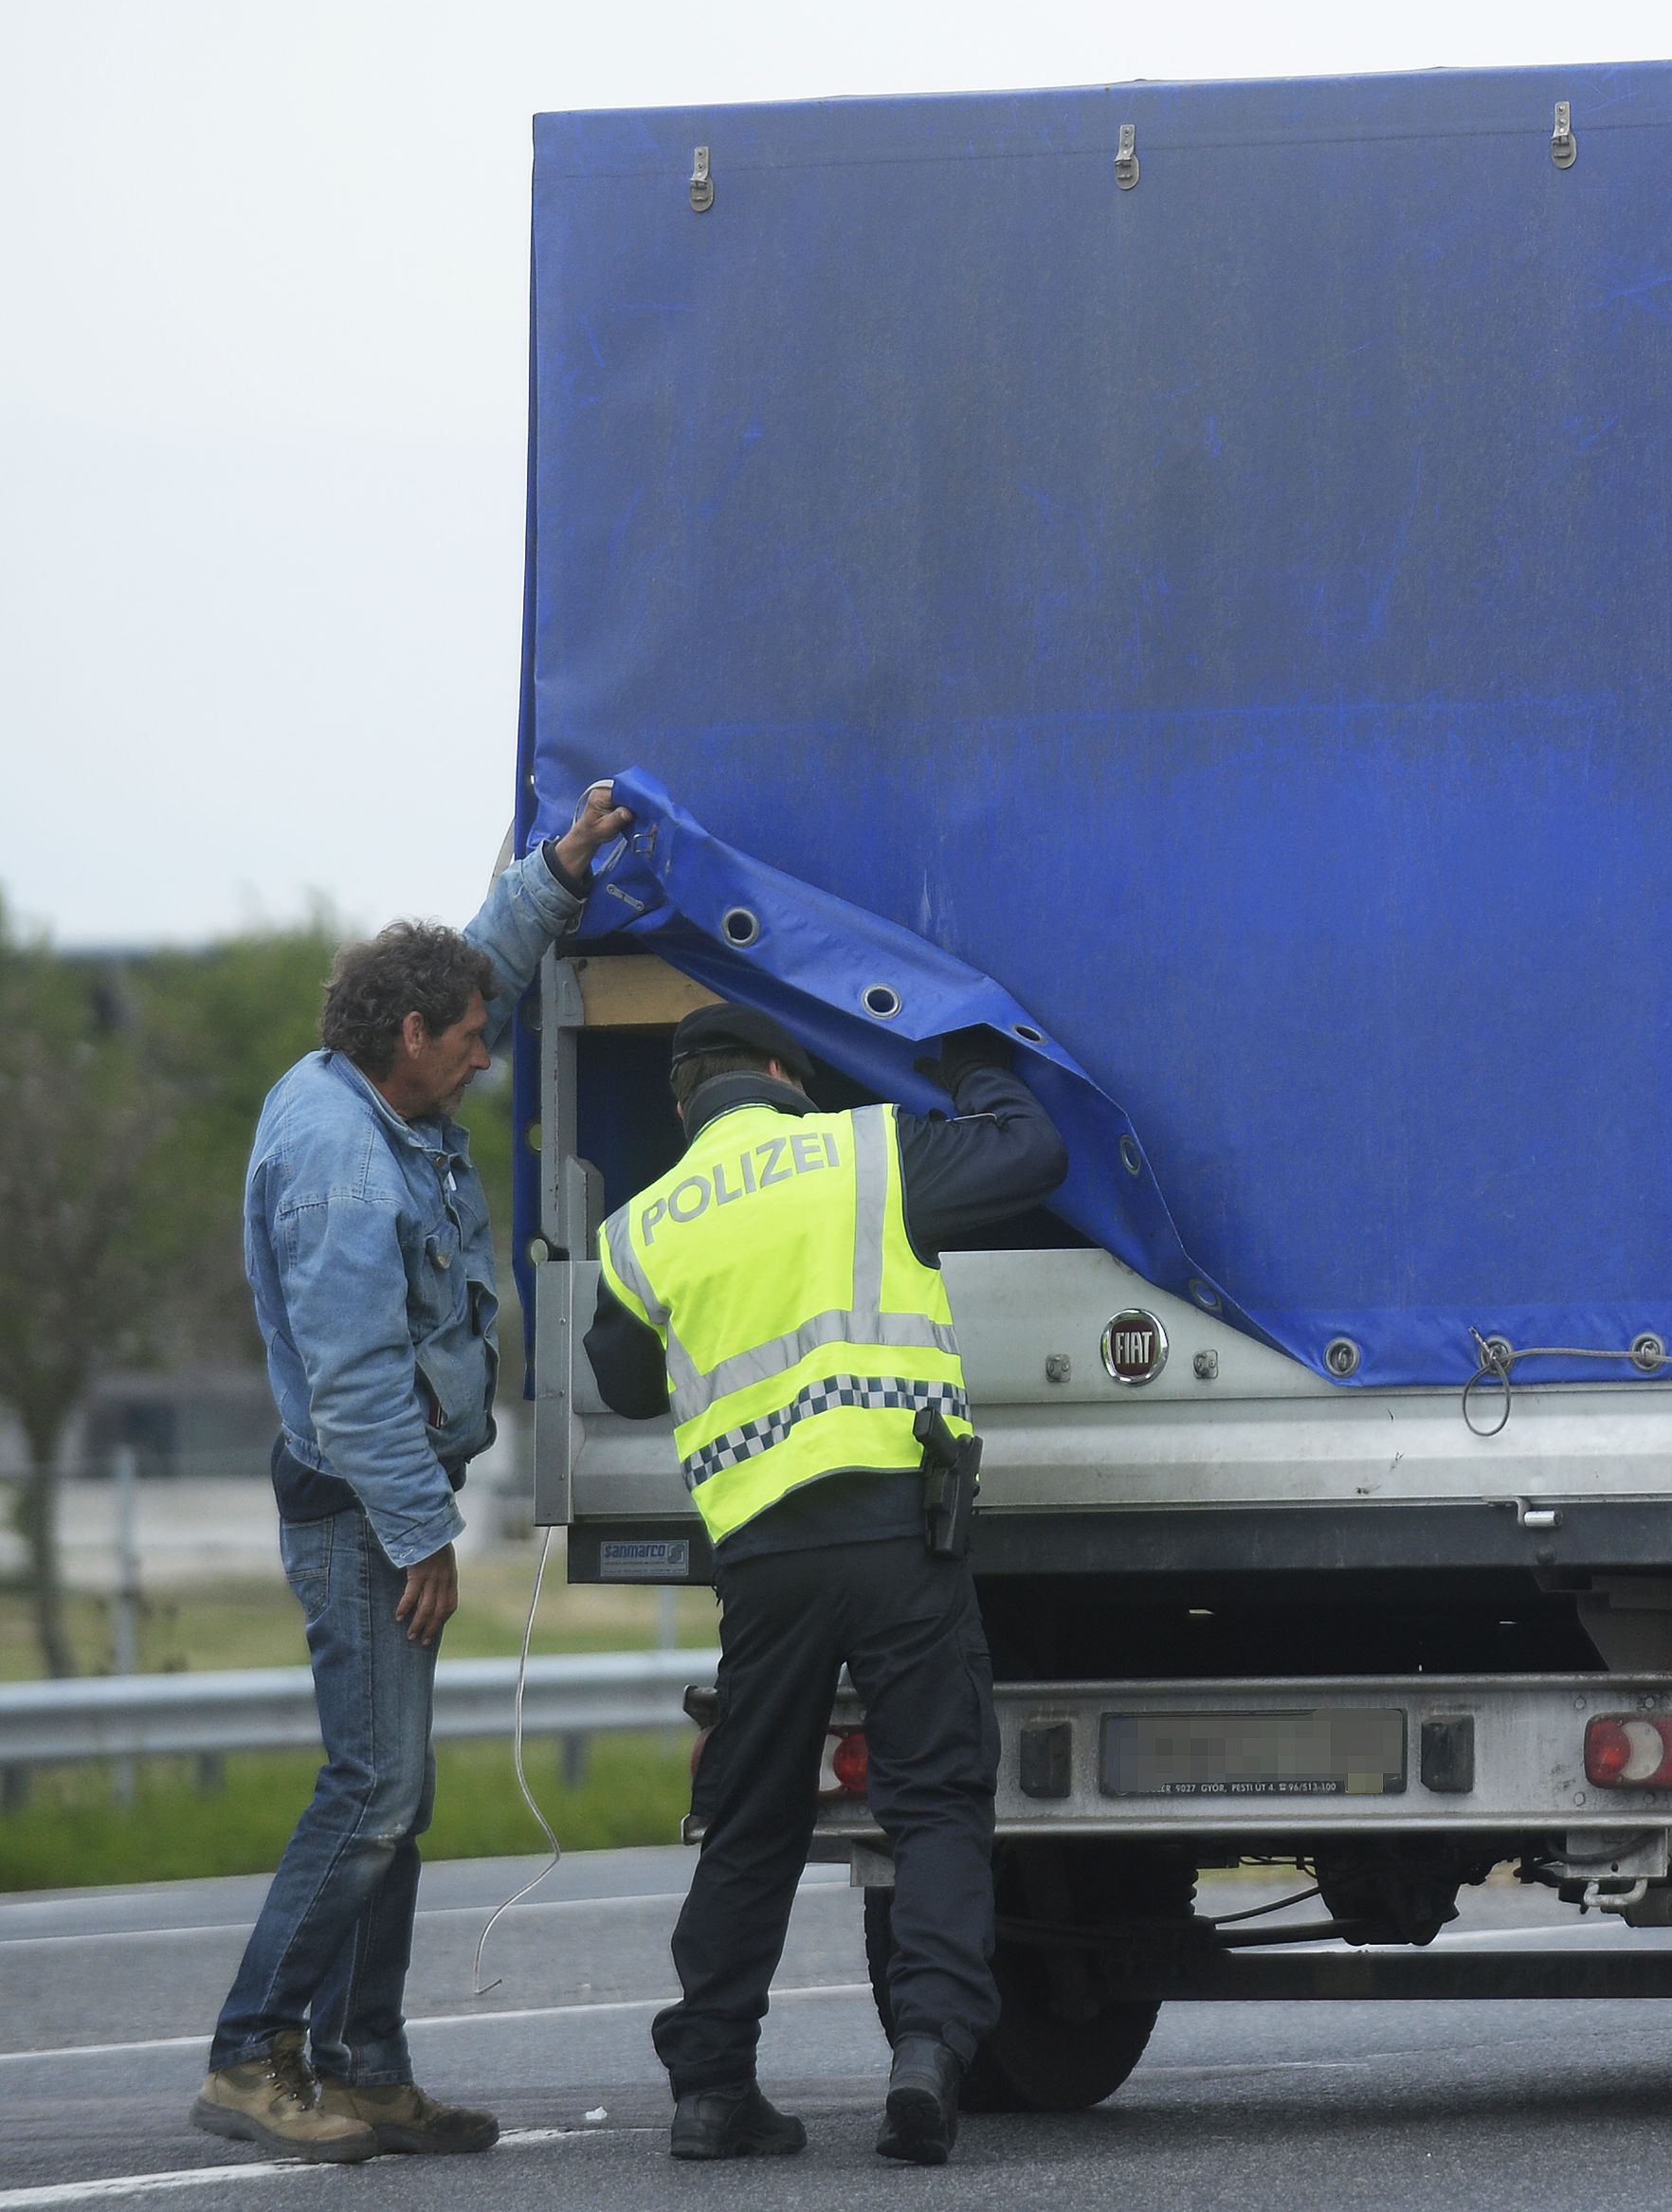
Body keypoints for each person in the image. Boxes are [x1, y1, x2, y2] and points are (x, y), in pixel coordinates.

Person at [193, 780, 633, 2162]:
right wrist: (424, 1532)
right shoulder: (339, 1161)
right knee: (371, 1789)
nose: (487, 1054)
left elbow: (485, 961)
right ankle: (252, 2056)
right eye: (470, 1039)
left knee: (396, 1792)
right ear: (408, 1036)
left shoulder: (380, 1080)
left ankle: (365, 2066)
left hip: (384, 1503)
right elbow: (354, 1380)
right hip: (361, 1508)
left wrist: (558, 868)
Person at [586, 1000, 1063, 2166]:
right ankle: (930, 2054)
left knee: (750, 1818)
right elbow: (1029, 1153)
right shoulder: (864, 1150)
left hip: (762, 1557)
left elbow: (626, 1380)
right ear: (780, 1073)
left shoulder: (641, 1227)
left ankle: (710, 2085)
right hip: (900, 1531)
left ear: (684, 1101)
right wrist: (973, 1059)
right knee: (936, 1797)